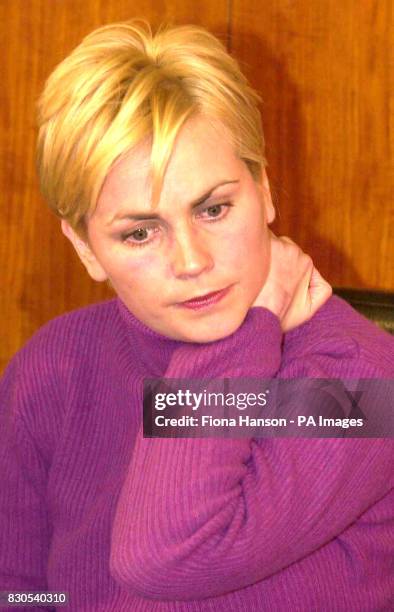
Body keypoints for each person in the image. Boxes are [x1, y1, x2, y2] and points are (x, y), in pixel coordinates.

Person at [0, 19, 393, 612]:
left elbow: (164, 554)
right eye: (139, 233)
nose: (192, 261)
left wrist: (233, 341)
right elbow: (22, 592)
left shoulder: (360, 383)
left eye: (213, 208)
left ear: (264, 189)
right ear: (84, 247)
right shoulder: (56, 365)